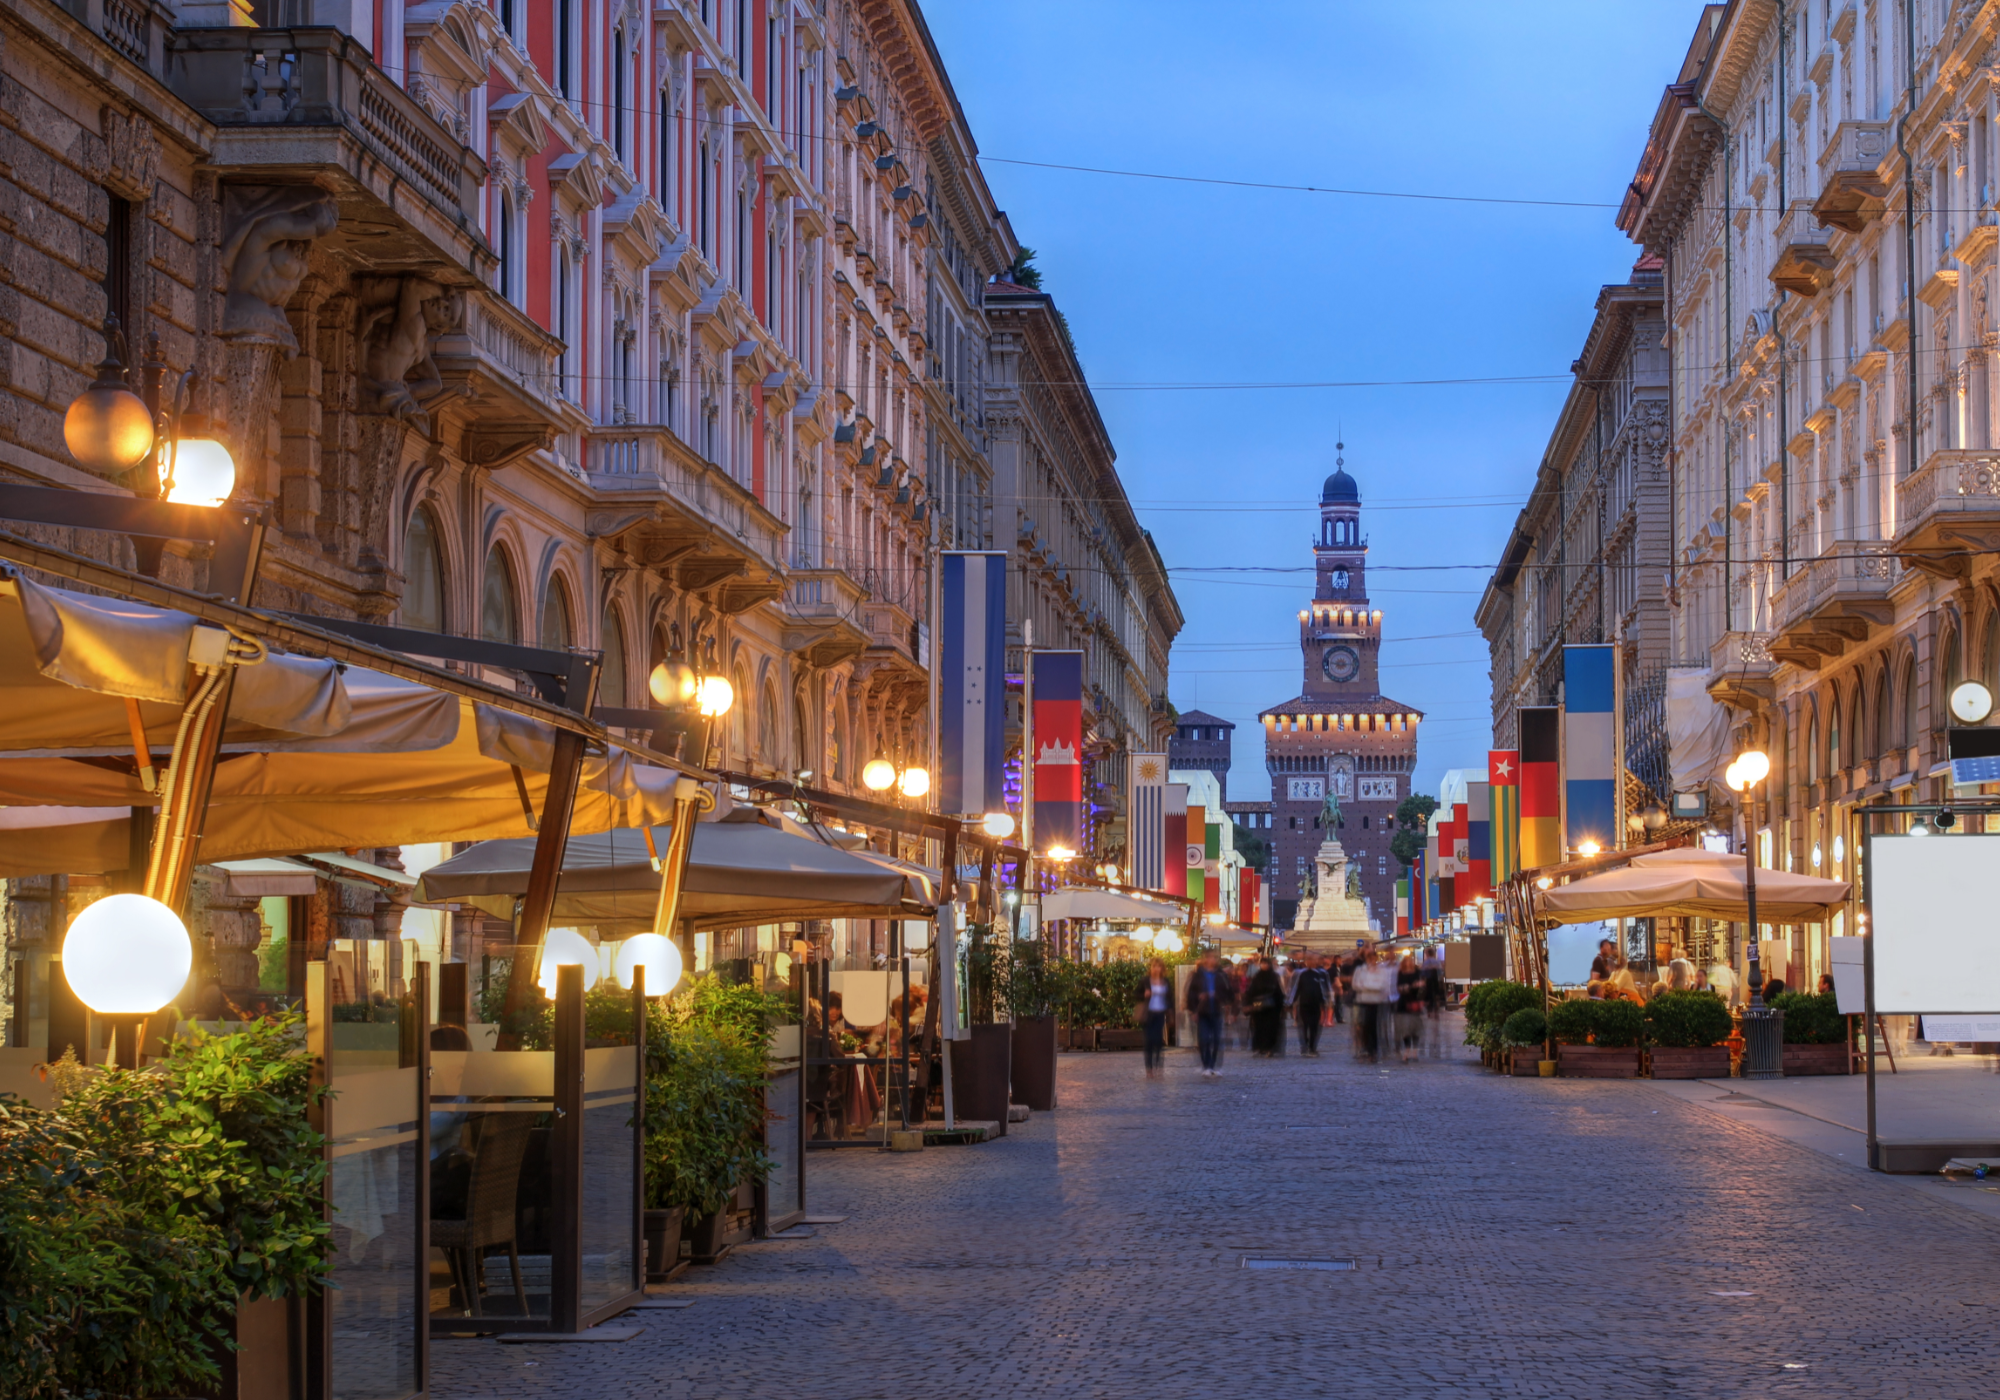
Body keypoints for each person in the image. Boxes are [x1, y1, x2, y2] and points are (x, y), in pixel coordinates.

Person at [1185, 950, 1235, 1077]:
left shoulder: (1221, 975)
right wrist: (1193, 1009)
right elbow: (1191, 993)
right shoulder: (1198, 975)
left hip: (1217, 1010)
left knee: (1217, 1039)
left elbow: (1228, 992)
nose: (1212, 960)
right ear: (1205, 959)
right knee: (1203, 1039)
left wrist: (1218, 996)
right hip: (1202, 1011)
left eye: (1214, 957)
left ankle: (1214, 1065)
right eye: (1209, 957)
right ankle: (1206, 1065)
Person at [1351, 948, 1393, 1062]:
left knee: (1374, 1027)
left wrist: (1367, 986)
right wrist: (1370, 986)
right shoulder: (1360, 970)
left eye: (1373, 958)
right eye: (1370, 958)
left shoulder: (1382, 971)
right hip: (1363, 1000)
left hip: (1376, 1002)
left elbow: (1384, 985)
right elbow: (1355, 984)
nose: (1372, 961)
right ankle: (1365, 1049)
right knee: (1363, 1026)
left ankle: (1373, 1051)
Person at [1290, 953, 1331, 1057]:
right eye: (1308, 960)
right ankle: (1304, 1047)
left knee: (1314, 1027)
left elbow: (1324, 988)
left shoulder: (1320, 974)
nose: (1310, 962)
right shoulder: (1301, 974)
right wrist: (1291, 1002)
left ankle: (1312, 1047)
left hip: (1316, 1004)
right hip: (1304, 1004)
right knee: (1303, 1026)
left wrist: (1326, 1002)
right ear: (1305, 962)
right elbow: (1296, 989)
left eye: (1312, 960)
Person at [1138, 958, 1173, 1079]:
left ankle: (1158, 1066)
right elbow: (1135, 994)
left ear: (1162, 968)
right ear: (1150, 968)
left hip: (1160, 1013)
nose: (1156, 969)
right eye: (1153, 966)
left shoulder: (1165, 981)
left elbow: (1170, 997)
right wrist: (1144, 994)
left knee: (1158, 1041)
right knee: (1148, 1041)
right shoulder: (1145, 980)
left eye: (1158, 966)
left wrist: (1170, 1011)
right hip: (1148, 1014)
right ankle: (1149, 1069)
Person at [1245, 956, 1285, 1057]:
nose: (1265, 965)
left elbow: (1278, 992)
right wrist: (1248, 1004)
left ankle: (1270, 1048)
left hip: (1272, 1007)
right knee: (1259, 1028)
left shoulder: (1274, 976)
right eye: (1263, 963)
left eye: (1266, 963)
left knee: (1271, 1028)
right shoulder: (1257, 977)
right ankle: (1260, 1048)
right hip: (1259, 1008)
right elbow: (1251, 992)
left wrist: (1281, 1007)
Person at [1394, 952, 1425, 1062]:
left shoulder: (1417, 972)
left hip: (1415, 1001)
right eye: (1407, 962)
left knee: (1415, 1028)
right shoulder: (1401, 973)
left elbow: (1422, 984)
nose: (1409, 963)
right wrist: (1404, 988)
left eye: (1410, 961)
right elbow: (1398, 987)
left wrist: (1418, 985)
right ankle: (1407, 1050)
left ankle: (1415, 1051)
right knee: (1405, 1028)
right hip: (1404, 1002)